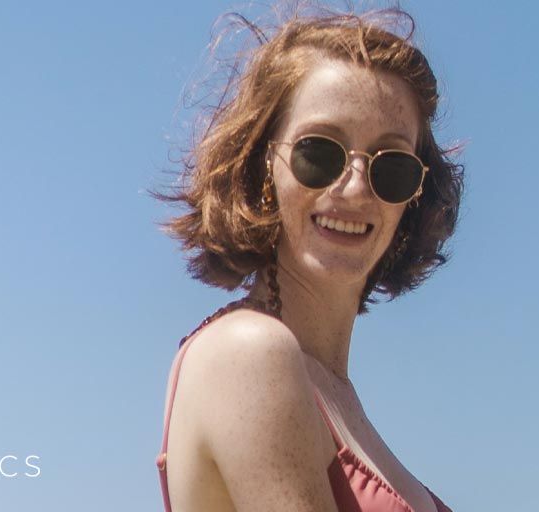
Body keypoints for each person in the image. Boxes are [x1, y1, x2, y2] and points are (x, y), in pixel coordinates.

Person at [153, 6, 463, 511]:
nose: (356, 187)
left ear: (415, 198)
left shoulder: (330, 387)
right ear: (261, 169)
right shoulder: (250, 353)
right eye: (319, 153)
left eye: (393, 168)